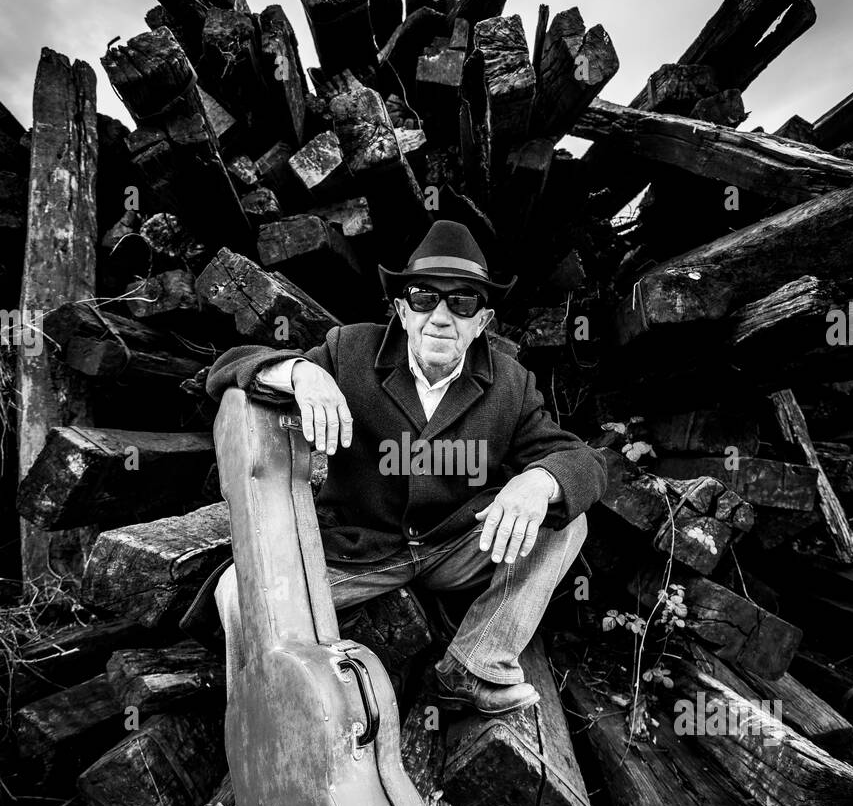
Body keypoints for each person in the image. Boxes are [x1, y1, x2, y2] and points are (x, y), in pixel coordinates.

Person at [198, 219, 607, 729]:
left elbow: (582, 459)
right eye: (423, 298)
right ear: (401, 310)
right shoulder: (350, 351)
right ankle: (263, 731)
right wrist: (299, 372)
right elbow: (228, 368)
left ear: (482, 321)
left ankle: (473, 666)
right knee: (238, 589)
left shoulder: (511, 384)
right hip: (357, 550)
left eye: (462, 302)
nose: (440, 316)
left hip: (454, 546)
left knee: (567, 517)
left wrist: (539, 480)